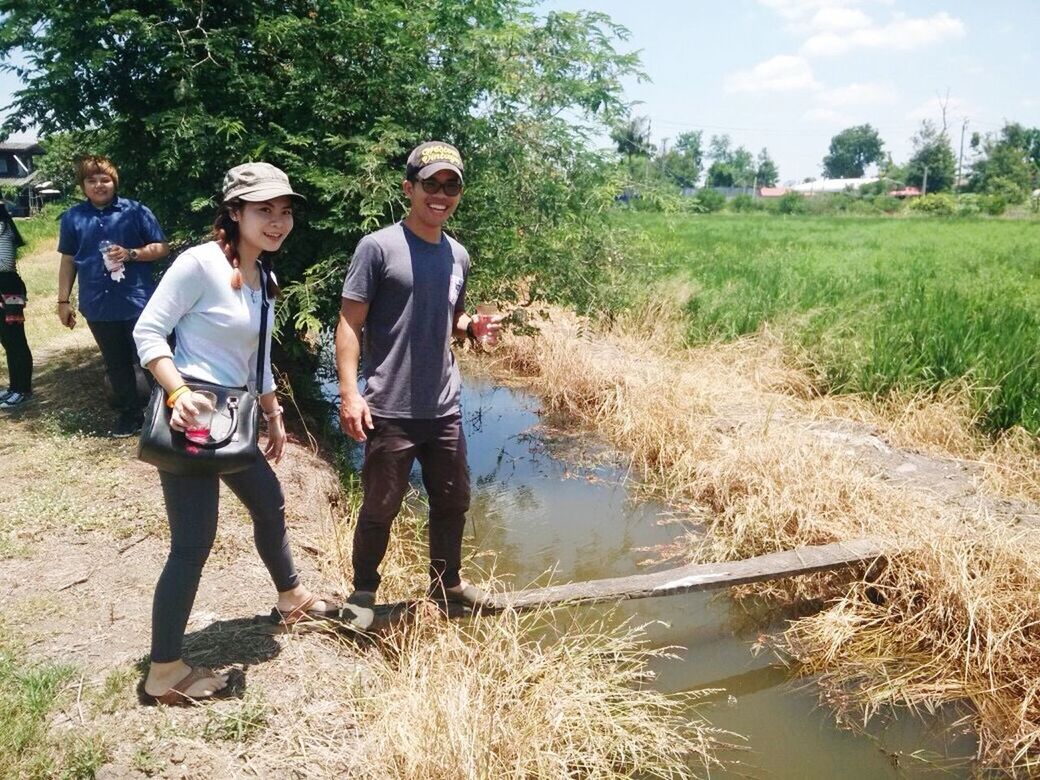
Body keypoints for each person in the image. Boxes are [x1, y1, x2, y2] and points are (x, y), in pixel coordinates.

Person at [133, 163, 373, 706]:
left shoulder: (263, 275)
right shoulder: (198, 264)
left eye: (284, 211)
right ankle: (164, 670)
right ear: (235, 212)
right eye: (264, 210)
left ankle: (290, 597)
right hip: (193, 420)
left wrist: (274, 411)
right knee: (192, 544)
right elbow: (148, 331)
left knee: (269, 502)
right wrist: (176, 392)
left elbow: (257, 355)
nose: (278, 221)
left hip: (236, 418)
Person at [335, 141, 501, 612]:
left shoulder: (458, 256)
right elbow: (349, 322)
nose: (441, 194)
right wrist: (350, 393)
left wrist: (471, 327)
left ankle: (447, 586)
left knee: (453, 501)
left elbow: (452, 315)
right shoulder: (378, 247)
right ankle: (364, 590)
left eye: (451, 185)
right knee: (380, 507)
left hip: (442, 405)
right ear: (410, 188)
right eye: (431, 184)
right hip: (389, 405)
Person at [57, 155, 170, 437]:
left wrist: (132, 253)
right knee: (115, 363)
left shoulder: (136, 211)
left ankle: (165, 413)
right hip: (98, 305)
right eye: (91, 180)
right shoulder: (73, 218)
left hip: (138, 302)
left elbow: (161, 248)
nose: (98, 185)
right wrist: (62, 301)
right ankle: (129, 415)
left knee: (151, 358)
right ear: (82, 186)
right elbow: (68, 260)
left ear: (114, 182)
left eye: (104, 179)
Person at [0, 202, 32, 409]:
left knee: (15, 341)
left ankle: (23, 389)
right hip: (5, 286)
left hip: (7, 288)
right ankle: (14, 387)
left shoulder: (2, 225)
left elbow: (4, 264)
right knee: (7, 341)